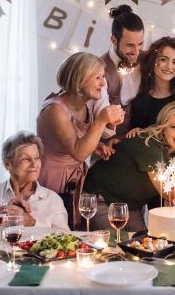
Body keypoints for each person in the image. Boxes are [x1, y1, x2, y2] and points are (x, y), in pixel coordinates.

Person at [83, 102, 175, 232]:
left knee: (140, 245)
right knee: (116, 247)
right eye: (173, 126)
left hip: (129, 206)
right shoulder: (150, 145)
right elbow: (169, 194)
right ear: (163, 127)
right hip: (101, 199)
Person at [37, 53, 125, 230]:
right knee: (55, 233)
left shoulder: (85, 105)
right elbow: (77, 152)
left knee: (74, 232)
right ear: (78, 80)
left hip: (75, 179)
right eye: (97, 77)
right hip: (53, 180)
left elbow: (74, 141)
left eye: (103, 76)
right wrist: (100, 121)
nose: (103, 83)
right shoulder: (55, 109)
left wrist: (95, 146)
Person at [0, 131, 69, 232]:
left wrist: (32, 223)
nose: (34, 165)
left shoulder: (52, 200)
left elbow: (67, 239)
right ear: (8, 164)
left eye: (37, 158)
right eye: (26, 159)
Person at [92, 5, 146, 139]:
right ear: (114, 40)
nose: (136, 51)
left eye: (140, 44)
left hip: (144, 143)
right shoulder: (98, 70)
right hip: (109, 148)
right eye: (129, 45)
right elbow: (102, 128)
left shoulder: (148, 59)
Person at [129, 36, 175, 131]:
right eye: (163, 59)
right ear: (152, 61)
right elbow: (136, 139)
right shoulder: (140, 103)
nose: (169, 66)